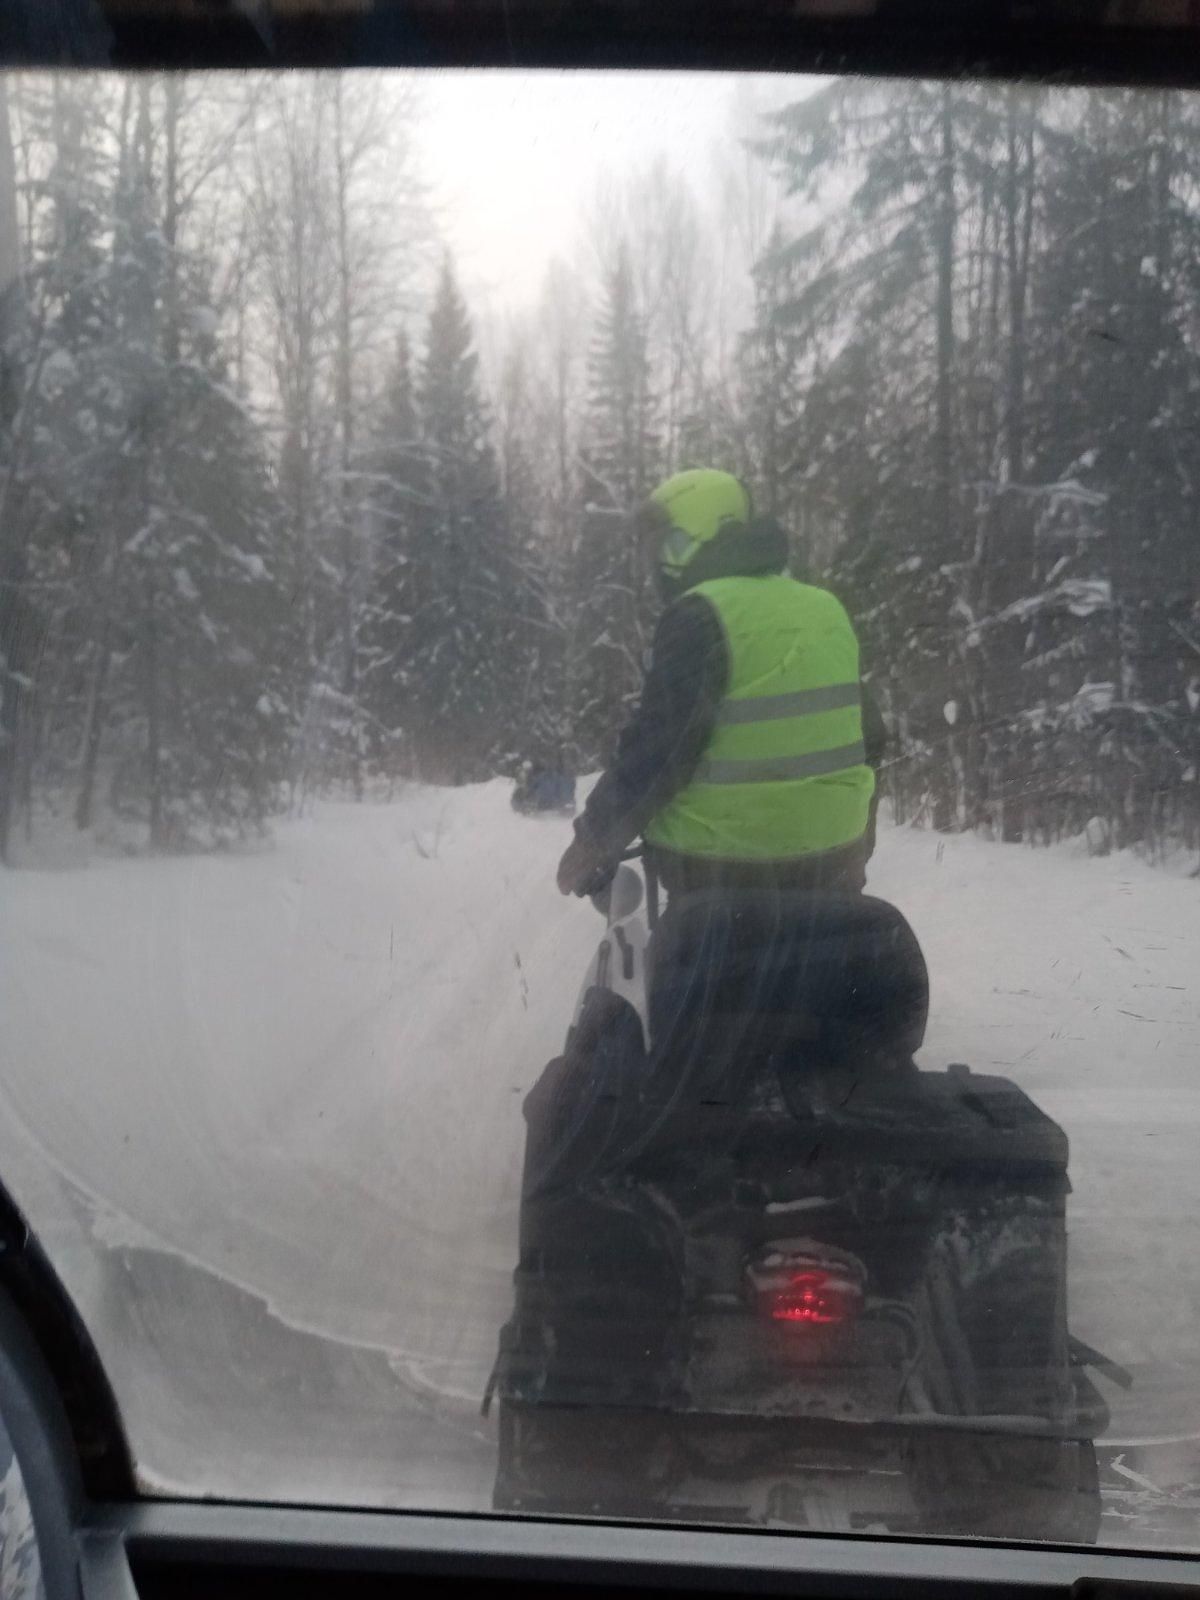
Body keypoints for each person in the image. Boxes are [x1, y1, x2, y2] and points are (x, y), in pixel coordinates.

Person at [556, 468, 886, 899]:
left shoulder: (700, 614)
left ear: (699, 531)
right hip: (834, 868)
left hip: (720, 874)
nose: (657, 561)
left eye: (665, 542)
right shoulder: (825, 609)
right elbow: (871, 737)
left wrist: (593, 843)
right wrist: (855, 839)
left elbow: (658, 752)